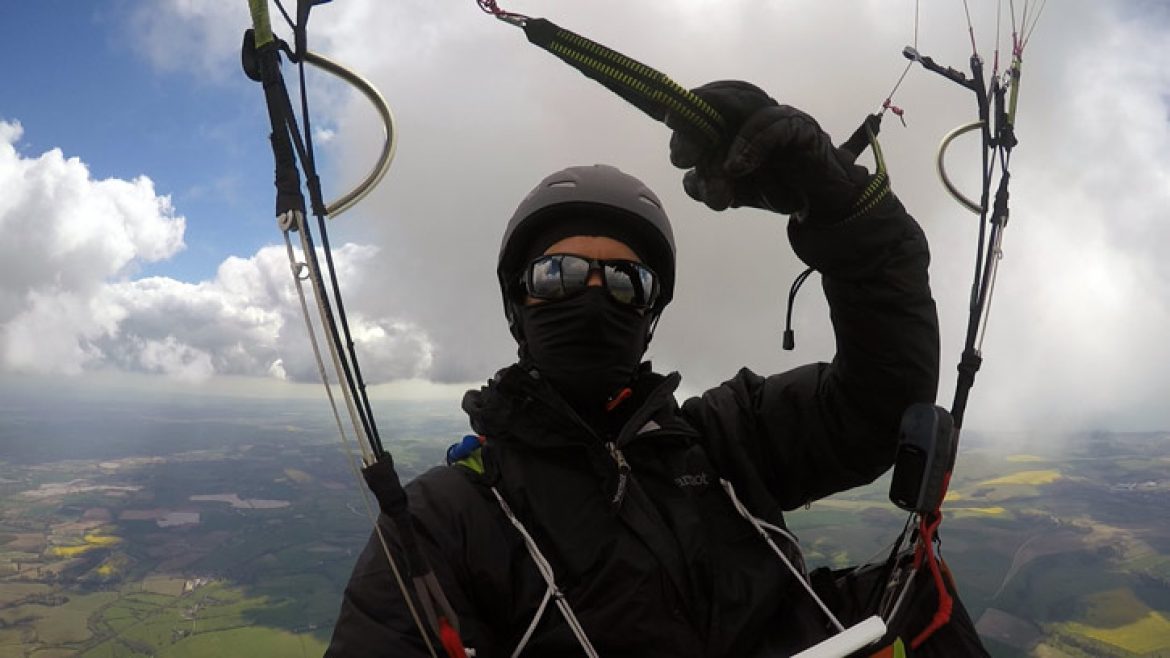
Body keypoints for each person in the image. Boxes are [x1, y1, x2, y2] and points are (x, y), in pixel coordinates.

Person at [325, 81, 986, 656]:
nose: (590, 294)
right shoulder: (446, 519)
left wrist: (847, 217)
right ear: (516, 304)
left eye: (625, 282)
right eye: (557, 274)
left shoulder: (730, 439)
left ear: (650, 314)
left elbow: (881, 401)